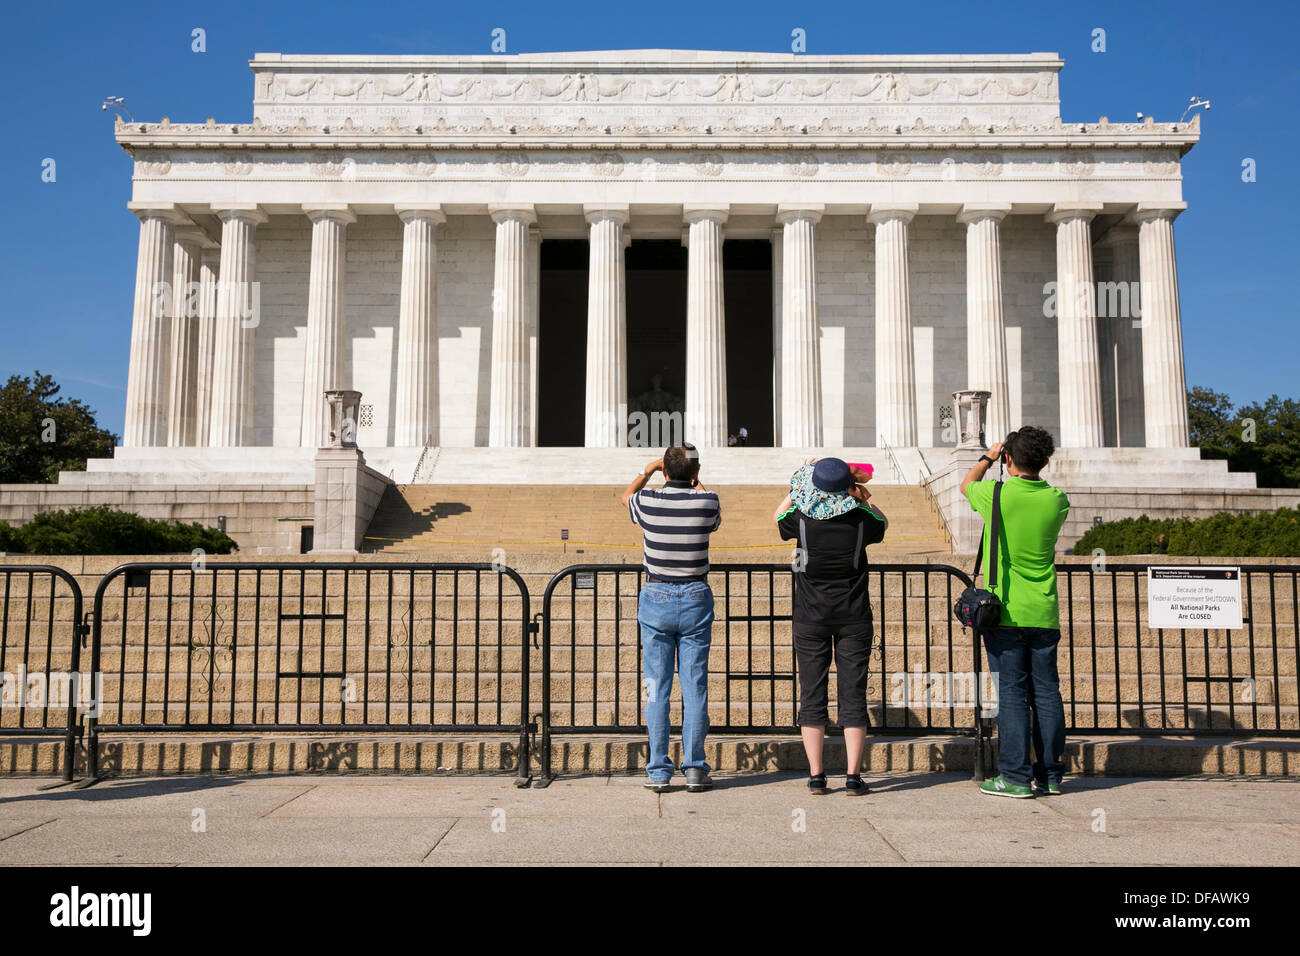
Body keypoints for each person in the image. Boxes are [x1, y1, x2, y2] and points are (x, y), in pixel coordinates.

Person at [961, 426, 1070, 798]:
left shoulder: (996, 493)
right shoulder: (1057, 499)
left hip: (1004, 611)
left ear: (1008, 458)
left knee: (1010, 694)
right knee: (1046, 693)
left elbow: (966, 484)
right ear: (1046, 460)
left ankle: (1015, 777)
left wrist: (988, 457)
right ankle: (1051, 774)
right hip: (1043, 610)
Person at [774, 457, 887, 795]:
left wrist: (797, 487)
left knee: (812, 692)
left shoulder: (803, 520)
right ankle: (853, 775)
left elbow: (779, 515)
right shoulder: (861, 519)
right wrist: (864, 497)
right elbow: (883, 522)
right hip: (853, 615)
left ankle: (817, 775)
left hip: (810, 617)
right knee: (852, 693)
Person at [621, 443, 722, 793]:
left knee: (656, 688)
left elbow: (625, 497)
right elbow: (709, 505)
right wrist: (694, 477)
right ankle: (694, 768)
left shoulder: (648, 501)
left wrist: (648, 469)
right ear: (694, 473)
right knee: (694, 688)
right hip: (695, 595)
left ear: (664, 471)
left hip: (656, 594)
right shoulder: (707, 501)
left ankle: (658, 771)